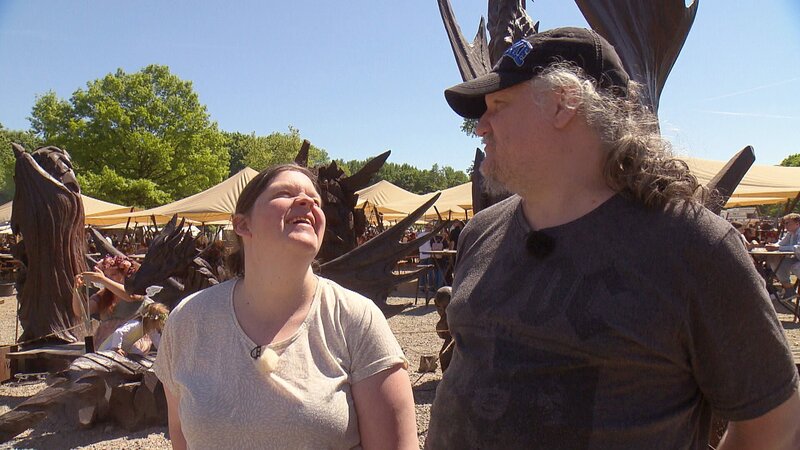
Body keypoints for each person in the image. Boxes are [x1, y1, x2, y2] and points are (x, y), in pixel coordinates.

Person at [426, 27, 800, 449]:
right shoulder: (480, 232)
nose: (481, 127)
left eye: (499, 105)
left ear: (564, 102)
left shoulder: (693, 246)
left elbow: (776, 424)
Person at [153, 164, 417, 450]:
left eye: (315, 200)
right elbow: (181, 438)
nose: (307, 202)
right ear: (242, 224)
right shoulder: (188, 320)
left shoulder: (356, 318)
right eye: (285, 193)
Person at [72, 255, 151, 348]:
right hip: (103, 343)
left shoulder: (136, 290)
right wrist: (77, 290)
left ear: (125, 274)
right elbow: (80, 312)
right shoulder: (103, 295)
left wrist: (102, 279)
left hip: (129, 342)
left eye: (113, 274)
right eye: (106, 275)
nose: (109, 278)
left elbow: (129, 296)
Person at [98, 302, 169, 356]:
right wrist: (117, 348)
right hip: (110, 347)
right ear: (151, 321)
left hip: (126, 347)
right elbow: (118, 332)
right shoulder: (136, 324)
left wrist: (164, 352)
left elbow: (157, 342)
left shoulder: (150, 329)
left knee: (141, 355)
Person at [766, 213, 800, 299]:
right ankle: (789, 290)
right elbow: (781, 243)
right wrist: (772, 245)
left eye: (788, 223)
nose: (785, 225)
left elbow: (798, 248)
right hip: (797, 258)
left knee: (795, 267)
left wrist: (778, 247)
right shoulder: (790, 233)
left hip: (797, 261)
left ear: (797, 223)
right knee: (775, 261)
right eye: (785, 223)